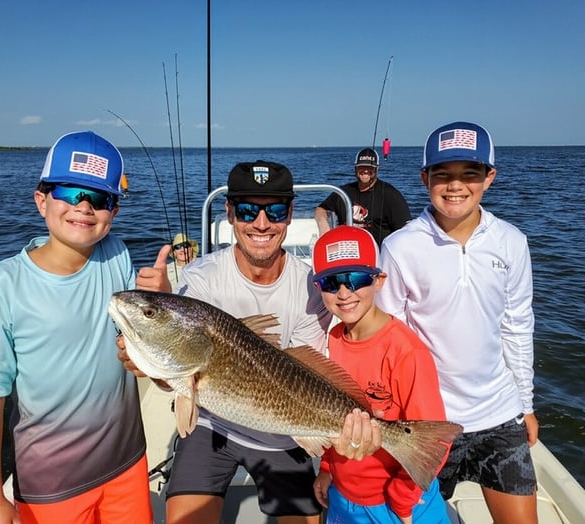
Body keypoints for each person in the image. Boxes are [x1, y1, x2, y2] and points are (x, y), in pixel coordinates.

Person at [119, 160, 384, 524]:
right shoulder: (201, 278)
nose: (261, 223)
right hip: (212, 426)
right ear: (229, 213)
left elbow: (307, 365)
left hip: (288, 433)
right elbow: (175, 373)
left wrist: (348, 428)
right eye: (247, 210)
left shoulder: (310, 286)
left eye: (274, 210)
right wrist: (148, 354)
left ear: (290, 215)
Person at [0, 131, 164, 523]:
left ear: (114, 213)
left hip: (127, 462)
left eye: (100, 199)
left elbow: (129, 342)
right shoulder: (2, 285)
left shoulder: (117, 255)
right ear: (41, 200)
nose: (84, 207)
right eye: (70, 192)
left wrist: (161, 296)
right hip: (51, 483)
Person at [377, 121, 538, 523]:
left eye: (470, 174)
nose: (455, 186)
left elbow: (517, 326)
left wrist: (526, 404)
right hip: (427, 420)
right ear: (424, 178)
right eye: (442, 175)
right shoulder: (400, 247)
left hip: (500, 415)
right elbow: (388, 338)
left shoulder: (511, 242)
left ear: (490, 178)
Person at [311, 225, 451, 524]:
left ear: (379, 280)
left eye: (356, 278)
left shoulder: (406, 352)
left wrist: (402, 502)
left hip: (401, 503)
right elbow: (328, 416)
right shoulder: (332, 340)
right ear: (318, 288)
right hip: (343, 496)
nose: (345, 292)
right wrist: (326, 469)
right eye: (331, 282)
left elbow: (433, 443)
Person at [314, 147, 411, 245]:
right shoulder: (343, 193)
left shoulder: (391, 195)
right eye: (361, 167)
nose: (365, 171)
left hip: (378, 254)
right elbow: (321, 209)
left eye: (370, 168)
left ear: (377, 168)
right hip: (348, 250)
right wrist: (324, 226)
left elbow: (405, 231)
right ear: (355, 168)